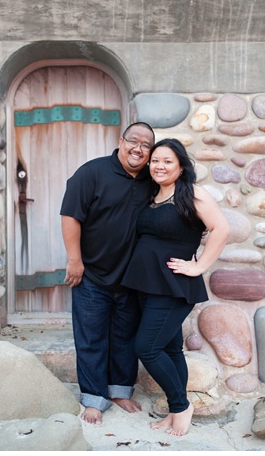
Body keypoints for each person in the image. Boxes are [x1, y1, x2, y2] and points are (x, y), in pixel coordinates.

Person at [121, 138, 230, 436]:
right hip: (146, 284)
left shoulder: (192, 193)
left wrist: (200, 266)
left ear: (181, 166)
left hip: (174, 285)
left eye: (167, 161)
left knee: (147, 346)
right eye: (155, 160)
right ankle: (175, 409)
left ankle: (181, 407)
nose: (159, 166)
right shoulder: (153, 195)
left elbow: (222, 228)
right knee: (170, 348)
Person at [60, 122, 156, 426]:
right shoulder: (92, 173)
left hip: (130, 278)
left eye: (146, 145)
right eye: (133, 141)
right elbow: (70, 215)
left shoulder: (152, 181)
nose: (138, 149)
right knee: (91, 338)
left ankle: (119, 391)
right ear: (121, 141)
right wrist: (75, 259)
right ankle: (93, 398)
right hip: (91, 275)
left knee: (125, 338)